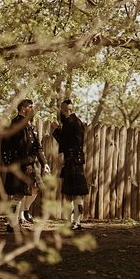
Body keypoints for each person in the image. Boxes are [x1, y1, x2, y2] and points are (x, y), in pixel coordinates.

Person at [0, 98, 48, 232]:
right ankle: (12, 224)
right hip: (20, 164)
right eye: (30, 107)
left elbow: (36, 146)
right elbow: (19, 147)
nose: (32, 109)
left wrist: (44, 163)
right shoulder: (17, 123)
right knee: (18, 194)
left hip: (29, 164)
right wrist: (26, 164)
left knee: (36, 188)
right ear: (23, 109)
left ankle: (23, 212)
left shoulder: (27, 124)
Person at [51, 98, 89, 231]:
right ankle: (70, 222)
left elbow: (65, 142)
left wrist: (55, 131)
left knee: (76, 193)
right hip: (72, 160)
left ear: (65, 109)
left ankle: (76, 222)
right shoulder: (73, 122)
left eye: (61, 109)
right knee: (68, 193)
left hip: (73, 161)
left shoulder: (71, 122)